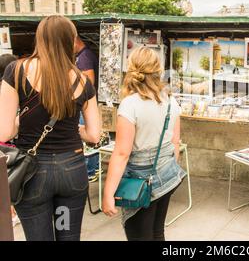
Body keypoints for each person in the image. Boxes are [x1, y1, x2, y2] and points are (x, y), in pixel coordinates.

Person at [0, 15, 101, 241]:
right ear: (70, 40)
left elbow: (4, 132)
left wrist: (23, 121)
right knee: (67, 236)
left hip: (32, 175)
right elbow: (94, 135)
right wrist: (74, 130)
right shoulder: (82, 80)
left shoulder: (16, 71)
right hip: (72, 173)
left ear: (40, 38)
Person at [102, 47, 185, 241]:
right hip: (167, 175)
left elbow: (122, 153)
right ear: (158, 69)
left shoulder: (130, 104)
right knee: (157, 232)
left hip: (140, 180)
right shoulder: (171, 101)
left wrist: (108, 192)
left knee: (140, 236)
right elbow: (175, 145)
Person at [74, 35, 100, 182]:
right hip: (87, 103)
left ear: (75, 41)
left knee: (88, 135)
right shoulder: (85, 55)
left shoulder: (84, 57)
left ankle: (90, 170)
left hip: (85, 104)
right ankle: (93, 168)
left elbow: (89, 81)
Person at [0, 54, 20, 228]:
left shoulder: (5, 89)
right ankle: (12, 212)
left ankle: (11, 212)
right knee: (11, 181)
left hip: (5, 145)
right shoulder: (16, 90)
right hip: (13, 145)